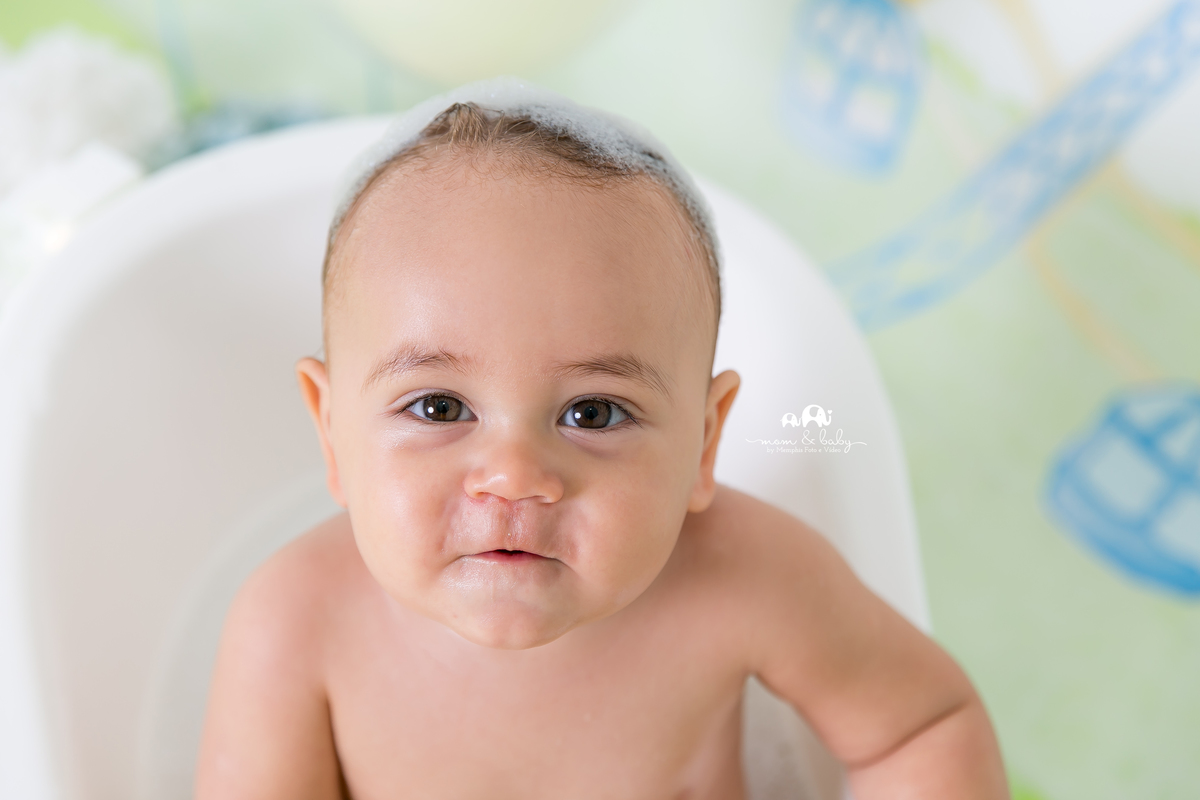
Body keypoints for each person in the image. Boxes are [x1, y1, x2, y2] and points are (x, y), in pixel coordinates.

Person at [195, 78, 1008, 800]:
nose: (513, 475)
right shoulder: (295, 625)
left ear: (703, 444)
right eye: (439, 407)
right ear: (331, 432)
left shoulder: (750, 579)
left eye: (593, 414)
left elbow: (920, 728)